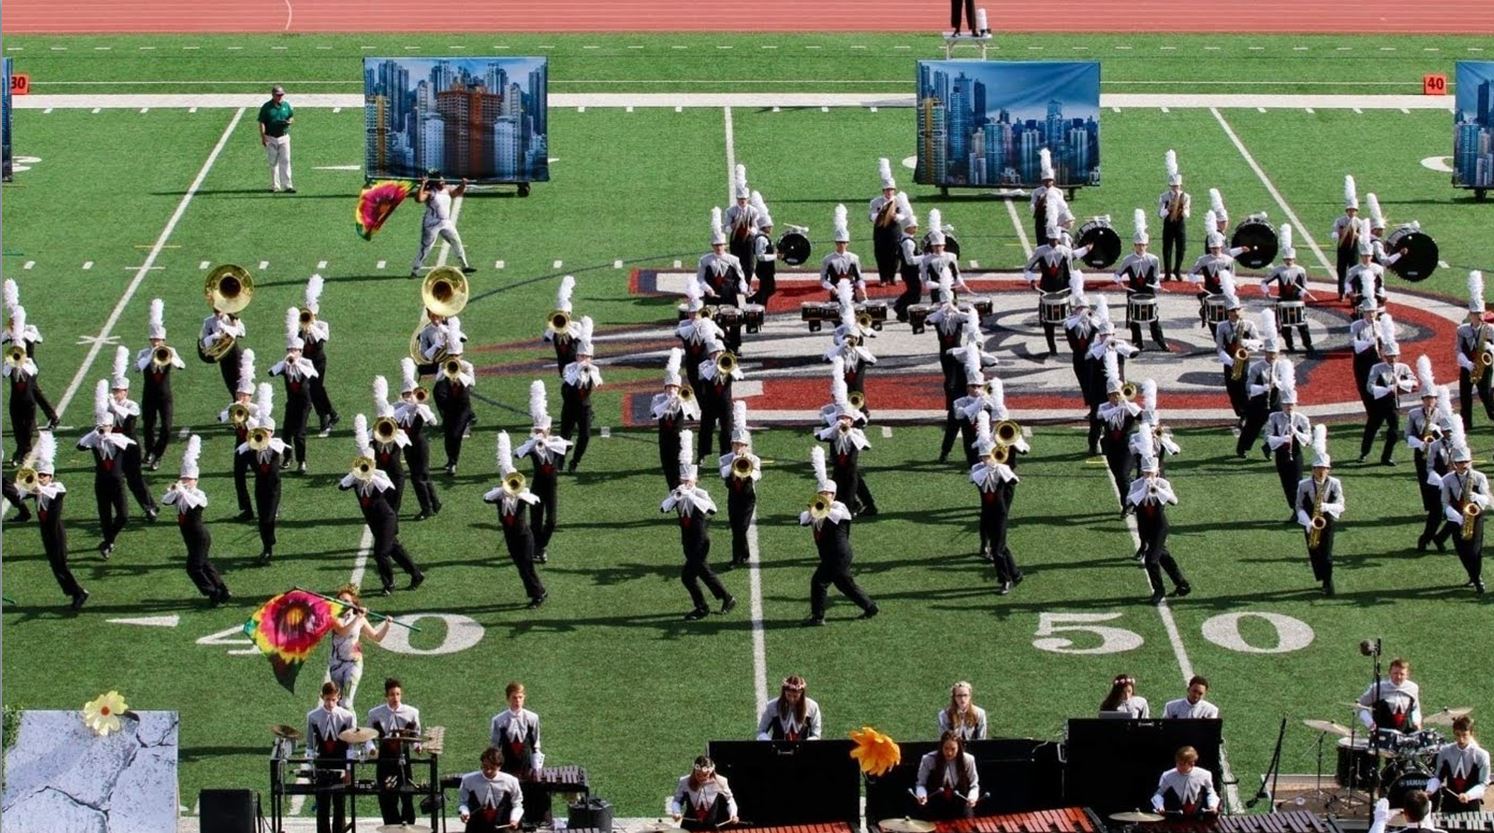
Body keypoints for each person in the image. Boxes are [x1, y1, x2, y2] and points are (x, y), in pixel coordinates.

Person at [340, 415, 425, 596]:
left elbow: (389, 486)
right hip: (374, 521)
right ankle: (416, 574)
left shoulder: (379, 477)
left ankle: (389, 584)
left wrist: (372, 473)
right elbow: (342, 486)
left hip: (386, 518)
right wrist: (355, 474)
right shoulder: (355, 479)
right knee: (394, 548)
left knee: (380, 553)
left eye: (367, 465)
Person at [663, 430, 736, 621]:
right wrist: (675, 496)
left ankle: (702, 607)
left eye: (689, 480)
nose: (686, 483)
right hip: (687, 541)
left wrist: (691, 495)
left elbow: (712, 510)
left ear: (695, 480)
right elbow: (663, 509)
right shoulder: (678, 492)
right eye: (683, 480)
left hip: (700, 541)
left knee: (688, 576)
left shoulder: (700, 493)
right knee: (704, 572)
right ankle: (726, 598)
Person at [802, 446, 878, 625]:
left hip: (838, 555)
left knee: (819, 582)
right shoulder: (816, 508)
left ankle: (818, 617)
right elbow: (803, 519)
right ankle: (870, 607)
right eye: (821, 494)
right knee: (845, 584)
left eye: (827, 494)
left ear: (834, 495)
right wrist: (812, 511)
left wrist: (820, 506)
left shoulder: (840, 508)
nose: (824, 496)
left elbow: (831, 514)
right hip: (831, 555)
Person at [20, 432, 88, 610]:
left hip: (56, 532)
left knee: (61, 565)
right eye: (40, 474)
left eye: (44, 475)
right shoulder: (36, 490)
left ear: (51, 476)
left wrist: (34, 485)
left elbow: (50, 492)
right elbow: (18, 492)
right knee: (56, 566)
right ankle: (75, 592)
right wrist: (26, 470)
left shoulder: (57, 487)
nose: (41, 477)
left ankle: (79, 593)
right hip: (46, 532)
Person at [162, 435, 230, 606]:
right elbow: (165, 501)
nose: (185, 482)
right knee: (205, 564)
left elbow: (196, 504)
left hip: (200, 536)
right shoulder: (179, 494)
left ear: (196, 481)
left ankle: (212, 592)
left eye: (188, 480)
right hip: (189, 537)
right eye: (183, 479)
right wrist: (175, 490)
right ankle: (222, 590)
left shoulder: (199, 494)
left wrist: (182, 491)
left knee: (193, 568)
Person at [484, 432, 547, 609]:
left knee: (527, 567)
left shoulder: (522, 497)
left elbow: (535, 499)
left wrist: (520, 492)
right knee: (521, 568)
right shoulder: (499, 497)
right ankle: (537, 592)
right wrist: (501, 489)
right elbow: (486, 497)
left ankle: (538, 594)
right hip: (511, 537)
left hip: (524, 537)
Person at [1129, 429, 1191, 605]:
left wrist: (1157, 489)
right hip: (1144, 525)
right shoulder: (1137, 485)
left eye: (1152, 473)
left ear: (1157, 472)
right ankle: (1182, 583)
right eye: (1146, 473)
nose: (1149, 476)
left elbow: (1174, 501)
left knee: (1151, 559)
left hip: (1159, 524)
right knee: (1162, 554)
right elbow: (1130, 501)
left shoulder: (1163, 483)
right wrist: (1145, 488)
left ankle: (1159, 590)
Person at [1024, 199, 1093, 355]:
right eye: (1051, 239)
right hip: (1046, 288)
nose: (1054, 242)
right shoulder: (1040, 251)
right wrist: (1032, 280)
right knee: (1048, 322)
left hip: (1062, 288)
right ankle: (1052, 348)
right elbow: (1027, 268)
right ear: (1048, 238)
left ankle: (1073, 346)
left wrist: (1071, 287)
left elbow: (1070, 268)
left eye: (1056, 239)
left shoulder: (1064, 251)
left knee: (1068, 320)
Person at [77, 380, 133, 560]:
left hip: (117, 482)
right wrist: (96, 433)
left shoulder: (119, 438)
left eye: (107, 426)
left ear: (111, 425)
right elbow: (80, 446)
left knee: (123, 515)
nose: (105, 430)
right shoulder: (94, 439)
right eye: (102, 427)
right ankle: (108, 543)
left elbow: (129, 445)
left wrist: (110, 436)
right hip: (101, 482)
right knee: (105, 516)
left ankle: (109, 539)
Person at [517, 381, 572, 564]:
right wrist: (533, 443)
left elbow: (568, 445)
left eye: (543, 431)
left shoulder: (556, 442)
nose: (540, 433)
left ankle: (539, 546)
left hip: (551, 487)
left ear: (549, 430)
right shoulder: (532, 445)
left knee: (552, 521)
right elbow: (517, 454)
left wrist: (548, 442)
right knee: (535, 522)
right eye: (537, 431)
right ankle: (538, 549)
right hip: (537, 486)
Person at [971, 412, 1023, 595]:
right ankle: (1015, 574)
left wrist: (999, 469)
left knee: (997, 549)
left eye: (989, 456)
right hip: (987, 513)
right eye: (984, 457)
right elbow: (977, 476)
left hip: (1000, 512)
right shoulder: (978, 471)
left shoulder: (1002, 469)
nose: (987, 460)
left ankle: (1005, 580)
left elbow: (1013, 482)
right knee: (1000, 546)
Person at [816, 366, 877, 517]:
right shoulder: (829, 411)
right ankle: (861, 505)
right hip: (837, 453)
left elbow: (862, 423)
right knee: (842, 483)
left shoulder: (851, 414)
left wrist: (850, 423)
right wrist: (834, 426)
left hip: (849, 452)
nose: (836, 399)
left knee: (851, 480)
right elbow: (820, 435)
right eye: (834, 396)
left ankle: (856, 507)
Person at [107, 346, 158, 522]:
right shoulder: (108, 405)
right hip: (113, 447)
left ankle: (150, 507)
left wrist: (112, 406)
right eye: (114, 391)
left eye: (119, 391)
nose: (116, 394)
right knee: (114, 480)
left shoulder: (132, 405)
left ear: (126, 392)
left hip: (130, 446)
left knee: (134, 479)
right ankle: (120, 512)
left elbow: (126, 416)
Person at [5, 305, 59, 466]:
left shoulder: (30, 329)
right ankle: (51, 417)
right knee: (33, 394)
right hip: (16, 370)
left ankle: (26, 446)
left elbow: (39, 339)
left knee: (33, 393)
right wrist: (11, 335)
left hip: (30, 367)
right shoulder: (11, 331)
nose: (13, 323)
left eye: (15, 320)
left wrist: (22, 335)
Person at [1409, 362, 1455, 551]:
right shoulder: (1435, 445)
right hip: (1435, 474)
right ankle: (1425, 538)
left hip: (1453, 476)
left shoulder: (1454, 442)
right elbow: (1429, 466)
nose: (1448, 434)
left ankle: (1440, 538)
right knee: (1436, 511)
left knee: (1458, 512)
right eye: (1446, 431)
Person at [325, 583, 391, 711]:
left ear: (353, 603)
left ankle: (353, 730)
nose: (343, 603)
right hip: (336, 663)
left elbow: (377, 637)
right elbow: (343, 631)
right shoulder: (333, 617)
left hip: (353, 663)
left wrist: (387, 625)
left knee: (347, 703)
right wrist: (358, 618)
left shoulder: (359, 619)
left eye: (346, 601)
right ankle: (344, 728)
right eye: (340, 600)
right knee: (337, 703)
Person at [136, 298, 184, 470]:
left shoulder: (169, 352)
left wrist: (170, 355)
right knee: (148, 426)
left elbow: (181, 366)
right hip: (148, 394)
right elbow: (137, 368)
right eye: (153, 340)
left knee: (167, 428)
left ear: (163, 340)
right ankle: (149, 453)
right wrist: (151, 355)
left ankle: (157, 454)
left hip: (165, 396)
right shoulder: (144, 353)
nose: (156, 343)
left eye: (159, 340)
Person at [1297, 426, 1346, 596]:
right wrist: (1308, 523)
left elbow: (1341, 505)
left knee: (1327, 554)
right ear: (1313, 469)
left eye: (1324, 468)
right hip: (1311, 522)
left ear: (1329, 469)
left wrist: (1326, 507)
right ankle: (1322, 578)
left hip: (1328, 519)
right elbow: (1299, 507)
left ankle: (1328, 582)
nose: (1321, 471)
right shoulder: (1303, 485)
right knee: (1314, 552)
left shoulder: (1334, 483)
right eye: (1318, 468)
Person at [367, 677, 422, 826]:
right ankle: (391, 828)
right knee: (386, 799)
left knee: (407, 798)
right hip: (384, 763)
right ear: (386, 696)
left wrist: (417, 747)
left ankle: (407, 827)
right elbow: (368, 736)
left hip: (404, 763)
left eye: (398, 694)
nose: (395, 698)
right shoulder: (374, 714)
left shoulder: (412, 713)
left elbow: (415, 736)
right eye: (392, 694)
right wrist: (371, 749)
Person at [1439, 432, 1489, 594]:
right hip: (1457, 518)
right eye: (1460, 462)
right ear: (1454, 464)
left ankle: (1477, 579)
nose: (1464, 465)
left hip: (1476, 517)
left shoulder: (1479, 477)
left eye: (1467, 461)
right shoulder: (1447, 479)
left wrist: (1476, 497)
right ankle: (1473, 576)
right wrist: (1458, 517)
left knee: (1475, 551)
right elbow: (1445, 503)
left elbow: (1488, 499)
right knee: (1462, 551)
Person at [270, 307, 317, 474]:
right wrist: (284, 363)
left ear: (300, 351)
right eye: (289, 350)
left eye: (294, 350)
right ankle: (287, 457)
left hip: (304, 403)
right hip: (291, 403)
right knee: (286, 433)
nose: (291, 353)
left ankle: (302, 461)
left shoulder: (306, 364)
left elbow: (314, 375)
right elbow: (271, 372)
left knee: (300, 434)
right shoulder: (285, 365)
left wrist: (297, 363)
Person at [242, 383, 285, 564]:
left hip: (273, 487)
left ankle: (268, 547)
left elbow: (277, 447)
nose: (264, 434)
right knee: (262, 519)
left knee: (268, 519)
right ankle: (267, 545)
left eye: (267, 431)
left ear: (272, 432)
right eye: (262, 431)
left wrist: (264, 440)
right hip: (260, 486)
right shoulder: (252, 446)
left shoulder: (276, 443)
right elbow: (241, 450)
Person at [1115, 209, 1169, 352]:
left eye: (1143, 245)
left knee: (1153, 317)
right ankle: (1138, 342)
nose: (1141, 247)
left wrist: (1157, 285)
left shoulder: (1153, 259)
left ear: (1147, 245)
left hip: (1148, 292)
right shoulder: (1128, 260)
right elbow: (1117, 274)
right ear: (1134, 245)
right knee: (1134, 319)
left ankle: (1160, 341)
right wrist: (1119, 281)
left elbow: (1157, 277)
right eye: (1138, 245)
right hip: (1133, 292)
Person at [305, 680, 355, 833]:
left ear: (339, 697)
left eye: (333, 699)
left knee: (339, 805)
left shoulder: (347, 716)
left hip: (340, 764)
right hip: (322, 765)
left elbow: (351, 745)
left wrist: (348, 770)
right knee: (322, 806)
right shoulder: (313, 716)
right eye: (327, 699)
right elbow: (310, 745)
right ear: (322, 697)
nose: (330, 703)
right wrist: (311, 768)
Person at [396, 357, 442, 520]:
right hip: (408, 447)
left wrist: (420, 408)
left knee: (419, 477)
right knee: (422, 476)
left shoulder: (421, 408)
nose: (409, 397)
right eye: (406, 394)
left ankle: (427, 508)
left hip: (420, 445)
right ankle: (435, 503)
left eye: (411, 394)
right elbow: (392, 416)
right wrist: (407, 406)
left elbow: (434, 422)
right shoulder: (398, 407)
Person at [1260, 225, 1316, 355]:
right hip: (1283, 301)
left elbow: (1304, 285)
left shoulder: (1301, 270)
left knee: (1303, 325)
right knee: (1285, 327)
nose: (1289, 261)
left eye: (1290, 259)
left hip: (1297, 301)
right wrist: (1266, 291)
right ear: (1283, 259)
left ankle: (1308, 345)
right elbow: (1264, 281)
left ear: (1294, 259)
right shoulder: (1278, 270)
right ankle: (1290, 345)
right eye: (1286, 259)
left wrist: (1303, 293)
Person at [699, 207, 749, 353]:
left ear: (725, 245)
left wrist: (744, 290)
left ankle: (734, 346)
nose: (719, 248)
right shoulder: (705, 260)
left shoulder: (733, 260)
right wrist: (708, 289)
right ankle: (717, 347)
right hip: (712, 299)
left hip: (729, 296)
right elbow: (700, 279)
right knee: (712, 323)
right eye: (716, 245)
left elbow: (741, 279)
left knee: (734, 322)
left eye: (721, 245)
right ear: (712, 246)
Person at [410, 170, 476, 277]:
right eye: (440, 181)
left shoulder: (447, 190)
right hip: (432, 223)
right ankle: (415, 270)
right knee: (426, 247)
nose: (443, 182)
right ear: (435, 183)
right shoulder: (430, 192)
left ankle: (465, 266)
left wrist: (463, 184)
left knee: (456, 241)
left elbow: (457, 192)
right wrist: (422, 184)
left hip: (446, 222)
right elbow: (419, 199)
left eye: (443, 180)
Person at [298, 275, 340, 437]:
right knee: (313, 389)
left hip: (319, 360)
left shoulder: (322, 325)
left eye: (311, 315)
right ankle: (331, 414)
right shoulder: (299, 327)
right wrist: (302, 329)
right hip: (305, 362)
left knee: (316, 388)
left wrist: (312, 327)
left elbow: (324, 338)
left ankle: (325, 418)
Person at [719, 401, 759, 569]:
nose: (739, 447)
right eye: (736, 444)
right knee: (736, 529)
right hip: (733, 497)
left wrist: (747, 467)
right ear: (732, 445)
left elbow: (757, 475)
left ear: (746, 446)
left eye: (742, 445)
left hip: (748, 497)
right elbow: (723, 474)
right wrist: (734, 462)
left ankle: (738, 558)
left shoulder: (753, 459)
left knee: (742, 528)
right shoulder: (725, 459)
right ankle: (742, 555)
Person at [1265, 376, 1312, 519]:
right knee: (1286, 485)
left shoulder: (1301, 419)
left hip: (1296, 454)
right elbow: (1267, 437)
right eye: (1286, 404)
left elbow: (1308, 439)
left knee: (1298, 483)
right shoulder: (1274, 417)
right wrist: (1282, 438)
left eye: (1291, 404)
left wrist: (1296, 432)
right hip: (1281, 455)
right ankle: (1295, 509)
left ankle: (1303, 510)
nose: (1289, 407)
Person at [433, 317, 476, 475]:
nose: (455, 359)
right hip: (450, 408)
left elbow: (472, 383)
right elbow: (437, 381)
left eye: (457, 356)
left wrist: (460, 375)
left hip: (463, 409)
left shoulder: (466, 367)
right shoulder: (443, 367)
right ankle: (450, 459)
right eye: (452, 356)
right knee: (449, 436)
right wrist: (446, 371)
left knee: (456, 434)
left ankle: (453, 462)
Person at [219, 349, 257, 521]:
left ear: (250, 396)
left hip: (256, 444)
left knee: (262, 478)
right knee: (239, 476)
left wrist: (246, 413)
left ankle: (271, 506)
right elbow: (220, 418)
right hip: (239, 443)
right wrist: (231, 409)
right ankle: (246, 509)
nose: (241, 397)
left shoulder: (256, 409)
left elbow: (259, 426)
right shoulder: (234, 406)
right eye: (239, 394)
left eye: (244, 395)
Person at [654, 348, 700, 492]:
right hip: (664, 438)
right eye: (670, 387)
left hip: (679, 440)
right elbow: (656, 414)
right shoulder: (658, 399)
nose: (672, 389)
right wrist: (668, 401)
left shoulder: (683, 399)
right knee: (667, 467)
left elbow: (692, 415)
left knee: (679, 467)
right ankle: (673, 492)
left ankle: (682, 490)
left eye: (675, 387)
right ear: (665, 388)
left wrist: (680, 401)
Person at [1363, 337, 1414, 465]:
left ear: (1398, 356)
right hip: (1378, 404)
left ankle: (1386, 457)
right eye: (1389, 356)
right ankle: (1364, 452)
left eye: (1395, 356)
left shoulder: (1403, 367)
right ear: (1384, 356)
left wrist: (1401, 383)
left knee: (1394, 432)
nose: (1392, 359)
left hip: (1393, 404)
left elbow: (1414, 382)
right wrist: (1386, 389)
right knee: (1371, 429)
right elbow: (1369, 386)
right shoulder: (1377, 368)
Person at [1098, 352, 1140, 507]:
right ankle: (1132, 497)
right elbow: (1100, 417)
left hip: (1127, 447)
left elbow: (1141, 416)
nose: (1114, 398)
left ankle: (1127, 505)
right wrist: (1117, 408)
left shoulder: (1129, 407)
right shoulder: (1103, 408)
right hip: (1111, 447)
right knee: (1118, 477)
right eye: (1111, 395)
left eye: (1117, 394)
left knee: (1123, 475)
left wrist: (1125, 403)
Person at [559, 317, 600, 473]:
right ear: (576, 357)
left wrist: (590, 371)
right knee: (565, 435)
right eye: (581, 357)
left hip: (584, 406)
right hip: (569, 406)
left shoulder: (593, 369)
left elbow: (598, 383)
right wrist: (578, 369)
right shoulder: (569, 367)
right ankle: (561, 460)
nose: (583, 360)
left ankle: (575, 462)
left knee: (585, 436)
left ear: (590, 358)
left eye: (586, 357)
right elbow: (568, 381)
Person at [1239, 321, 1285, 458]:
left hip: (1275, 400)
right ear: (1265, 352)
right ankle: (1242, 448)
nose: (1272, 356)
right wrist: (1263, 388)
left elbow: (1288, 384)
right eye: (1270, 353)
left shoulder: (1282, 366)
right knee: (1252, 426)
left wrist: (1278, 383)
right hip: (1258, 402)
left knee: (1278, 426)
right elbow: (1248, 386)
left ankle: (1268, 447)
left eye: (1274, 353)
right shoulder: (1257, 367)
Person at [1455, 271, 1494, 431]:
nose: (1478, 316)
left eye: (1480, 313)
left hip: (1485, 365)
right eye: (1475, 313)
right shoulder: (1462, 330)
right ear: (1470, 314)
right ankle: (1467, 422)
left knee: (1485, 394)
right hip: (1468, 365)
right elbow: (1457, 350)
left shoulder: (1490, 329)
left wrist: (1490, 348)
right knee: (1465, 395)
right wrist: (1468, 364)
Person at [914, 730, 980, 820]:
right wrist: (922, 795)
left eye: (953, 749)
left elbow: (974, 785)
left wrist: (972, 798)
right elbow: (921, 784)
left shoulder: (968, 760)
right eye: (946, 748)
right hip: (935, 804)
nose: (949, 753)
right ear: (941, 747)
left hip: (961, 805)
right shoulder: (928, 759)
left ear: (959, 748)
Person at [1427, 716, 1489, 813]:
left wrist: (1468, 795)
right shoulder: (1445, 751)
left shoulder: (1481, 755)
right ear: (1453, 733)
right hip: (1448, 804)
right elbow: (1437, 777)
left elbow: (1483, 784)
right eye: (1457, 735)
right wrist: (1429, 790)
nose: (1461, 739)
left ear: (1472, 734)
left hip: (1471, 805)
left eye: (1465, 735)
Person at [697, 334, 742, 463]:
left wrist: (730, 367)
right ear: (710, 354)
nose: (718, 354)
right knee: (706, 429)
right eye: (715, 352)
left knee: (727, 429)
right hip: (709, 403)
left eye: (721, 351)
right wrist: (716, 366)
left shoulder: (729, 363)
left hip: (725, 402)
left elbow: (739, 376)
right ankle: (702, 454)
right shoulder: (704, 365)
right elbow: (704, 376)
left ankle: (725, 454)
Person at [459, 747, 525, 832]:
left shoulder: (511, 781)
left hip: (503, 826)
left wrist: (514, 819)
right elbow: (463, 803)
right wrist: (465, 812)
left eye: (493, 768)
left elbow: (517, 804)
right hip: (476, 826)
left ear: (500, 766)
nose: (488, 771)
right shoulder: (467, 780)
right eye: (485, 766)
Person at [370, 375, 409, 513]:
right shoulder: (372, 433)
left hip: (396, 473)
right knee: (381, 501)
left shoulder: (399, 434)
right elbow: (364, 445)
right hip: (380, 473)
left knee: (395, 500)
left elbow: (406, 442)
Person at [670, 756, 739, 830]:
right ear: (694, 771)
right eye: (698, 774)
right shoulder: (684, 781)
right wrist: (676, 812)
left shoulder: (721, 781)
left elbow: (730, 800)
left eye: (705, 775)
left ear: (711, 771)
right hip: (690, 825)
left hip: (713, 825)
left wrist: (733, 814)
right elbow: (677, 801)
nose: (701, 778)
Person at [1357, 657, 1424, 733]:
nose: (1398, 677)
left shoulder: (1413, 688)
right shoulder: (1378, 688)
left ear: (1407, 675)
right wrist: (1370, 723)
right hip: (1382, 734)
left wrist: (1417, 721)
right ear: (1389, 673)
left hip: (1404, 733)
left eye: (1402, 674)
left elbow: (1415, 708)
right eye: (1395, 673)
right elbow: (1361, 706)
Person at [1152, 746, 1219, 817]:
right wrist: (1160, 807)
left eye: (1182, 764)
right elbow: (1158, 794)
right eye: (1177, 763)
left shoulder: (1205, 774)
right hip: (1176, 815)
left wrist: (1212, 806)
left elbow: (1211, 792)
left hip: (1198, 815)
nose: (1178, 766)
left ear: (1192, 763)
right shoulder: (1167, 775)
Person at [869, 161, 905, 285]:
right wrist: (880, 216)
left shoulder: (899, 201)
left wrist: (896, 216)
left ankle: (893, 276)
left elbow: (904, 214)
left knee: (894, 254)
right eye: (887, 190)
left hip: (894, 230)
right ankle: (883, 278)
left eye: (891, 190)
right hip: (880, 231)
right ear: (883, 191)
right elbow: (871, 215)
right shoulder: (876, 202)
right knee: (880, 254)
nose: (889, 192)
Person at [200, 305, 247, 399]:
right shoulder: (208, 321)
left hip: (235, 355)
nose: (218, 312)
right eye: (216, 310)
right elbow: (203, 342)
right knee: (230, 385)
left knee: (241, 386)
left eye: (219, 309)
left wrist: (226, 327)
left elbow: (242, 333)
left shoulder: (232, 318)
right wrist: (214, 336)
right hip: (222, 356)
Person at [821, 205, 866, 302]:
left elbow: (859, 278)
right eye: (839, 242)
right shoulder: (828, 259)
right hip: (835, 295)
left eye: (844, 242)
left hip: (852, 295)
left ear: (847, 243)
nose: (842, 245)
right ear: (836, 243)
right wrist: (832, 288)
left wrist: (862, 288)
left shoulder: (854, 258)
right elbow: (823, 280)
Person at [757, 675, 822, 740]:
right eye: (788, 695)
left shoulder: (812, 707)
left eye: (795, 696)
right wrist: (770, 743)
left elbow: (816, 735)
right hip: (777, 748)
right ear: (784, 692)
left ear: (802, 694)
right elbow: (761, 731)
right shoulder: (772, 706)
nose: (791, 699)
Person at [1158, 150, 1190, 282]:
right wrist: (1168, 209)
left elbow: (1187, 213)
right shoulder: (1164, 196)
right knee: (1167, 248)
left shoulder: (1186, 196)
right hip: (1168, 224)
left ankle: (1177, 270)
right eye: (1173, 186)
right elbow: (1160, 214)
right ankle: (1167, 272)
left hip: (1180, 223)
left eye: (1177, 186)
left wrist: (1182, 210)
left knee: (1181, 248)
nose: (1175, 189)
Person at [542, 275, 583, 377]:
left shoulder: (575, 327)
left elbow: (580, 339)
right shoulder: (554, 328)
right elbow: (547, 337)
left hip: (573, 360)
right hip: (562, 359)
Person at [258, 84, 295, 193]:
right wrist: (263, 137)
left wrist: (290, 121)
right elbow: (261, 122)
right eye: (278, 95)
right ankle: (275, 186)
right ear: (273, 95)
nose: (280, 97)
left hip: (284, 136)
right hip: (271, 137)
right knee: (273, 162)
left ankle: (288, 185)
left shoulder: (286, 105)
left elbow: (291, 116)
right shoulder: (266, 107)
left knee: (286, 160)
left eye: (282, 94)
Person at [1332, 176, 1362, 300]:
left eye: (1354, 210)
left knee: (1354, 271)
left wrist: (1357, 235)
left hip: (1354, 249)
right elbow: (1334, 233)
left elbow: (1363, 237)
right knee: (1341, 271)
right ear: (1347, 210)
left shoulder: (1359, 222)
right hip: (1343, 248)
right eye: (1350, 210)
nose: (1351, 212)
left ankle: (1353, 292)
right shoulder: (1340, 220)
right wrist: (1339, 233)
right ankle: (1341, 292)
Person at [725, 165, 760, 271]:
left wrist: (751, 231)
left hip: (748, 240)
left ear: (748, 199)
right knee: (735, 263)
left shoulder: (753, 211)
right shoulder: (730, 211)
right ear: (737, 199)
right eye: (740, 199)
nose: (742, 201)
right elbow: (726, 229)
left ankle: (748, 282)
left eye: (744, 199)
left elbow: (756, 227)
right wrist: (733, 225)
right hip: (735, 241)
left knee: (749, 264)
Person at [749, 192, 778, 307]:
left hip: (767, 269)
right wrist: (775, 256)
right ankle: (758, 306)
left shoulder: (764, 237)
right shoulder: (761, 239)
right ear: (764, 227)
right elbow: (760, 256)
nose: (771, 228)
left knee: (769, 289)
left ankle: (756, 303)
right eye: (769, 226)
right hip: (764, 269)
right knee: (768, 290)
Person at [1029, 150, 1059, 244]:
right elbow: (1032, 207)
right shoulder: (1037, 192)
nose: (1048, 182)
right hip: (1041, 219)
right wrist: (1040, 203)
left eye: (1050, 180)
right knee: (1041, 240)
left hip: (1054, 220)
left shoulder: (1058, 192)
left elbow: (1061, 207)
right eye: (1046, 180)